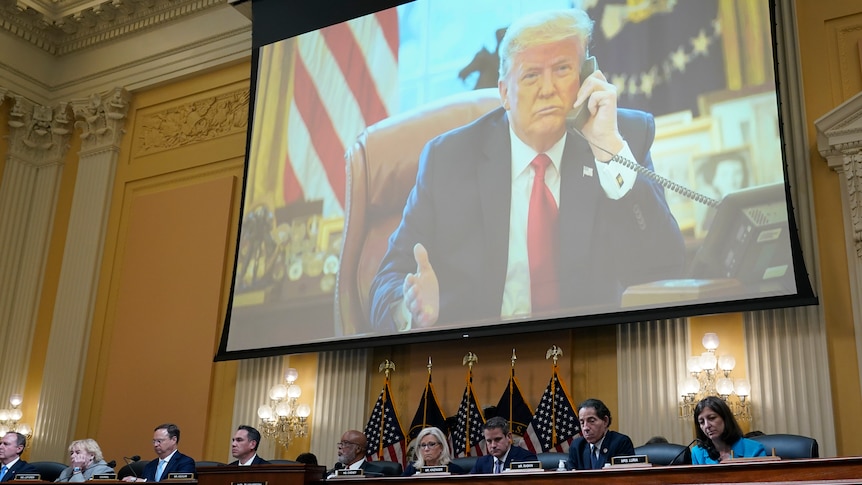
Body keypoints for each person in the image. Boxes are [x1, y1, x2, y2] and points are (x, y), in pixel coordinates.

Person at [369, 7, 684, 332]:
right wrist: (409, 308)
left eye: (562, 69)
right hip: (479, 357)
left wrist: (609, 152)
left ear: (586, 77)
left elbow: (666, 268)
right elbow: (388, 279)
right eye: (531, 75)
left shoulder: (620, 139)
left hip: (590, 349)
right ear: (505, 92)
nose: (547, 89)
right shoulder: (449, 161)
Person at [691, 396, 766, 464]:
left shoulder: (754, 449)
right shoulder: (697, 453)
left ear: (725, 419)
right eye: (702, 422)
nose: (707, 425)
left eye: (712, 418)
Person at [568, 398, 634, 470]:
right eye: (582, 422)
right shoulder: (577, 446)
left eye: (591, 421)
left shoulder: (621, 443)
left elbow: (626, 478)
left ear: (605, 421)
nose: (585, 428)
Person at [124, 423, 195, 482]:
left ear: (173, 440)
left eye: (159, 441)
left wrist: (144, 482)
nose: (155, 445)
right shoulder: (149, 466)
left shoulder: (185, 462)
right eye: (154, 441)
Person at [469, 417, 537, 474]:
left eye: (497, 439)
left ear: (509, 437)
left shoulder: (526, 459)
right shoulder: (481, 463)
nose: (493, 445)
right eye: (489, 441)